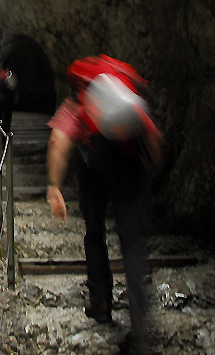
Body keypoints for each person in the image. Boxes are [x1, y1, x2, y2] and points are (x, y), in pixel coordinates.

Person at [46, 55, 162, 353]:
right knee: (133, 244)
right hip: (129, 163)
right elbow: (152, 136)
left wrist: (54, 187)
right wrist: (153, 178)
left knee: (94, 232)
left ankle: (100, 303)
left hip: (93, 162)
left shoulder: (79, 103)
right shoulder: (124, 97)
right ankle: (141, 328)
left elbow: (59, 141)